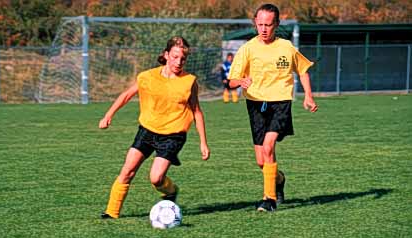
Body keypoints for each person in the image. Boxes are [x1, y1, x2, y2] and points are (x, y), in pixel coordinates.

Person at [99, 36, 210, 219]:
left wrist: (203, 143)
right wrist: (108, 115)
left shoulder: (189, 82)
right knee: (127, 171)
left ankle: (170, 191)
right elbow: (127, 95)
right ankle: (112, 212)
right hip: (147, 131)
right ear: (166, 55)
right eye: (175, 57)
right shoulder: (147, 77)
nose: (179, 62)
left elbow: (197, 111)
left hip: (173, 136)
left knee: (156, 178)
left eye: (183, 58)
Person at [228, 3, 318, 212]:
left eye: (268, 24)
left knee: (269, 147)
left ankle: (268, 199)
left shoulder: (286, 47)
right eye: (260, 24)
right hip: (256, 105)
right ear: (255, 24)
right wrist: (240, 82)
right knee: (262, 161)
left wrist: (308, 97)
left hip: (280, 103)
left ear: (276, 24)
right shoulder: (248, 48)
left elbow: (303, 70)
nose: (264, 29)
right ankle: (278, 179)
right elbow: (231, 80)